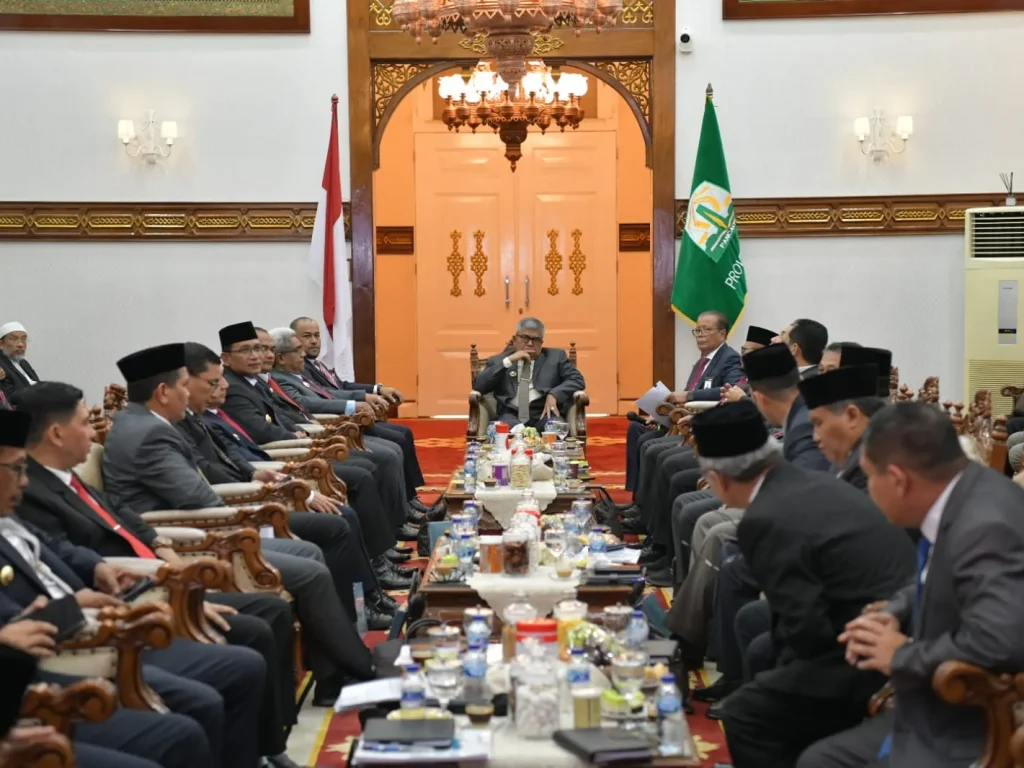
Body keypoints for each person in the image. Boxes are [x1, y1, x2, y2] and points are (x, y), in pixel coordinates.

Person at [99, 342, 376, 704]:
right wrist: (251, 507)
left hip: (202, 523)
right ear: (163, 392)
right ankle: (355, 669)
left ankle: (335, 674)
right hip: (196, 538)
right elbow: (199, 499)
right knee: (310, 569)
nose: (193, 392)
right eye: (185, 385)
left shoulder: (148, 421)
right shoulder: (149, 433)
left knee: (310, 553)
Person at [0, 409, 263, 768]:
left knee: (216, 690)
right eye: (15, 469)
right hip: (64, 655)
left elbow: (55, 548)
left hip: (89, 625)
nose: (24, 481)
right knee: (180, 732)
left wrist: (98, 569)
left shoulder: (10, 513)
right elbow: (18, 627)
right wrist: (86, 607)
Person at [687, 401, 915, 768]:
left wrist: (785, 678)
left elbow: (805, 629)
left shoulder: (764, 518)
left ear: (719, 478)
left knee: (747, 712)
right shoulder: (801, 479)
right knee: (763, 651)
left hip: (869, 649)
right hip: (890, 618)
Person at [799, 403, 1024, 768]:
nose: (869, 491)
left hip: (970, 729)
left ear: (899, 479)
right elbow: (932, 573)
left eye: (870, 478)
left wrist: (900, 653)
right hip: (932, 705)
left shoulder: (985, 528)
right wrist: (895, 612)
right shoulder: (963, 492)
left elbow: (998, 642)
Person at [221, 323, 415, 542]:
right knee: (368, 469)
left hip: (304, 445)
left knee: (382, 454)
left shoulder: (255, 382)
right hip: (287, 458)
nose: (260, 356)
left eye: (262, 349)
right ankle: (385, 545)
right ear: (226, 358)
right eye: (249, 350)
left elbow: (285, 414)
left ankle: (393, 529)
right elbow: (263, 430)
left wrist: (300, 431)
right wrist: (297, 436)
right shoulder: (236, 388)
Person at [266, 327, 429, 514]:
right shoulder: (281, 379)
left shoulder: (305, 369)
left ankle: (407, 504)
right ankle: (402, 514)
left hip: (333, 427)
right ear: (281, 358)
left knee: (396, 444)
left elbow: (332, 390)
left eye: (316, 335)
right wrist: (353, 404)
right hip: (325, 433)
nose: (306, 348)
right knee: (388, 453)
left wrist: (368, 393)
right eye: (299, 346)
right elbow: (308, 403)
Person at [471, 317, 586, 429]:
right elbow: (479, 386)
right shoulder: (499, 360)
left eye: (536, 340)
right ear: (515, 339)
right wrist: (509, 361)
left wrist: (554, 394)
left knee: (557, 430)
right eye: (525, 337)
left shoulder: (556, 357)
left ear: (541, 343)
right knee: (504, 432)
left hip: (545, 414)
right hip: (510, 415)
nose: (530, 343)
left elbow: (577, 380)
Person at [0, 323, 38, 400]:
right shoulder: (1, 365)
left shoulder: (23, 363)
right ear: (1, 344)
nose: (20, 344)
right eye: (13, 339)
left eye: (23, 339)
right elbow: (10, 396)